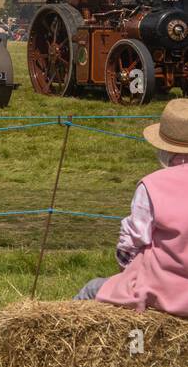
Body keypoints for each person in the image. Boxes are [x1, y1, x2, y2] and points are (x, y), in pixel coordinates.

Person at [74, 99, 188, 317]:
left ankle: (59, 345)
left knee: (92, 288)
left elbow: (130, 245)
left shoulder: (153, 186)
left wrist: (126, 274)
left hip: (160, 294)